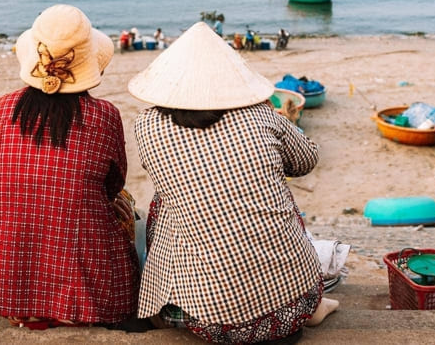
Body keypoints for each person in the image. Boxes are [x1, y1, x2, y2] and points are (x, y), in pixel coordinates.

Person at [129, 21, 338, 343]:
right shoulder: (261, 115)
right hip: (297, 305)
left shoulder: (147, 125)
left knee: (166, 201)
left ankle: (162, 306)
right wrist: (275, 119)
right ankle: (315, 308)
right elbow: (306, 161)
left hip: (211, 324)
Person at [0, 4, 140, 329]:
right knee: (127, 208)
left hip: (6, 280)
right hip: (93, 290)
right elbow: (114, 184)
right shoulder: (104, 116)